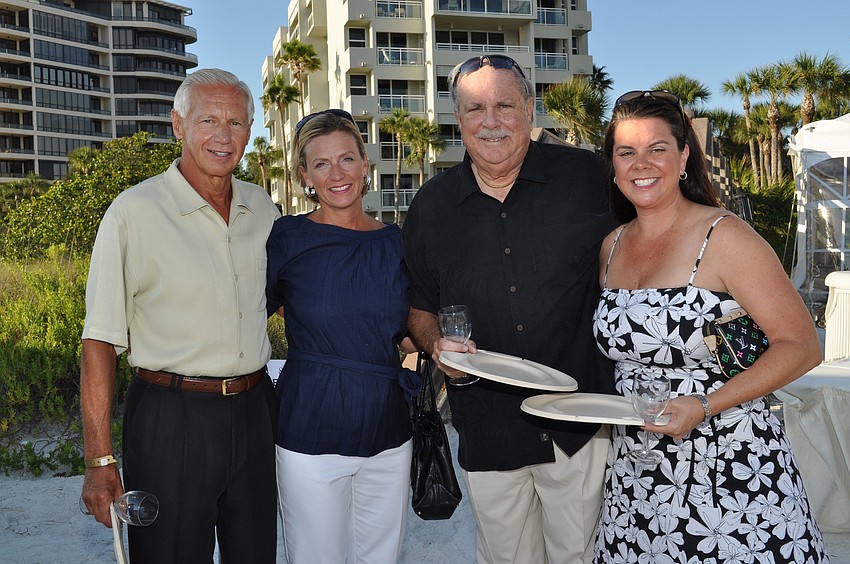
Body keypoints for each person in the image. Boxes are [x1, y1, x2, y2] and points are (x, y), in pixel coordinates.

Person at [591, 90, 827, 561]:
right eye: (626, 152)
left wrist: (705, 403)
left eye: (657, 148)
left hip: (729, 468)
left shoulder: (726, 237)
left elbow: (801, 346)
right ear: (613, 167)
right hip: (637, 472)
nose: (642, 163)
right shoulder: (611, 247)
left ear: (683, 157)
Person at [402, 54, 616, 564]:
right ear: (458, 120)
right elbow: (418, 306)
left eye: (504, 105)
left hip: (579, 426)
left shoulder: (591, 179)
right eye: (475, 108)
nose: (491, 121)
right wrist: (435, 344)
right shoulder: (431, 207)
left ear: (528, 108)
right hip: (488, 429)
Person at [79, 69, 281, 563]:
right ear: (178, 124)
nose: (222, 135)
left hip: (257, 412)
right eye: (207, 119)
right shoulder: (134, 212)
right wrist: (100, 459)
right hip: (172, 419)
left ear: (250, 130)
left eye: (236, 121)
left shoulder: (263, 208)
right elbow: (99, 341)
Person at [266, 109, 417, 564]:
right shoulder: (287, 238)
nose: (337, 174)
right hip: (310, 428)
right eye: (321, 164)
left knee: (381, 558)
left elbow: (409, 334)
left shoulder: (397, 242)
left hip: (389, 429)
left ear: (365, 163)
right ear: (304, 176)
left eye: (347, 159)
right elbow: (248, 313)